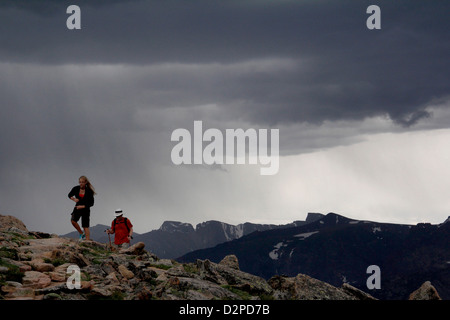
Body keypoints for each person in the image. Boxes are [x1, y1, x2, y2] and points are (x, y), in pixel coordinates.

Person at [68, 175, 96, 241]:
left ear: (85, 182)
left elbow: (91, 203)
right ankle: (81, 233)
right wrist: (74, 199)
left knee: (85, 226)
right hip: (77, 208)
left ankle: (87, 241)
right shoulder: (76, 188)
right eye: (80, 182)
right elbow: (69, 195)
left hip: (85, 210)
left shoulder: (89, 191)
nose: (81, 183)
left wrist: (83, 206)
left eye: (82, 182)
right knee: (73, 221)